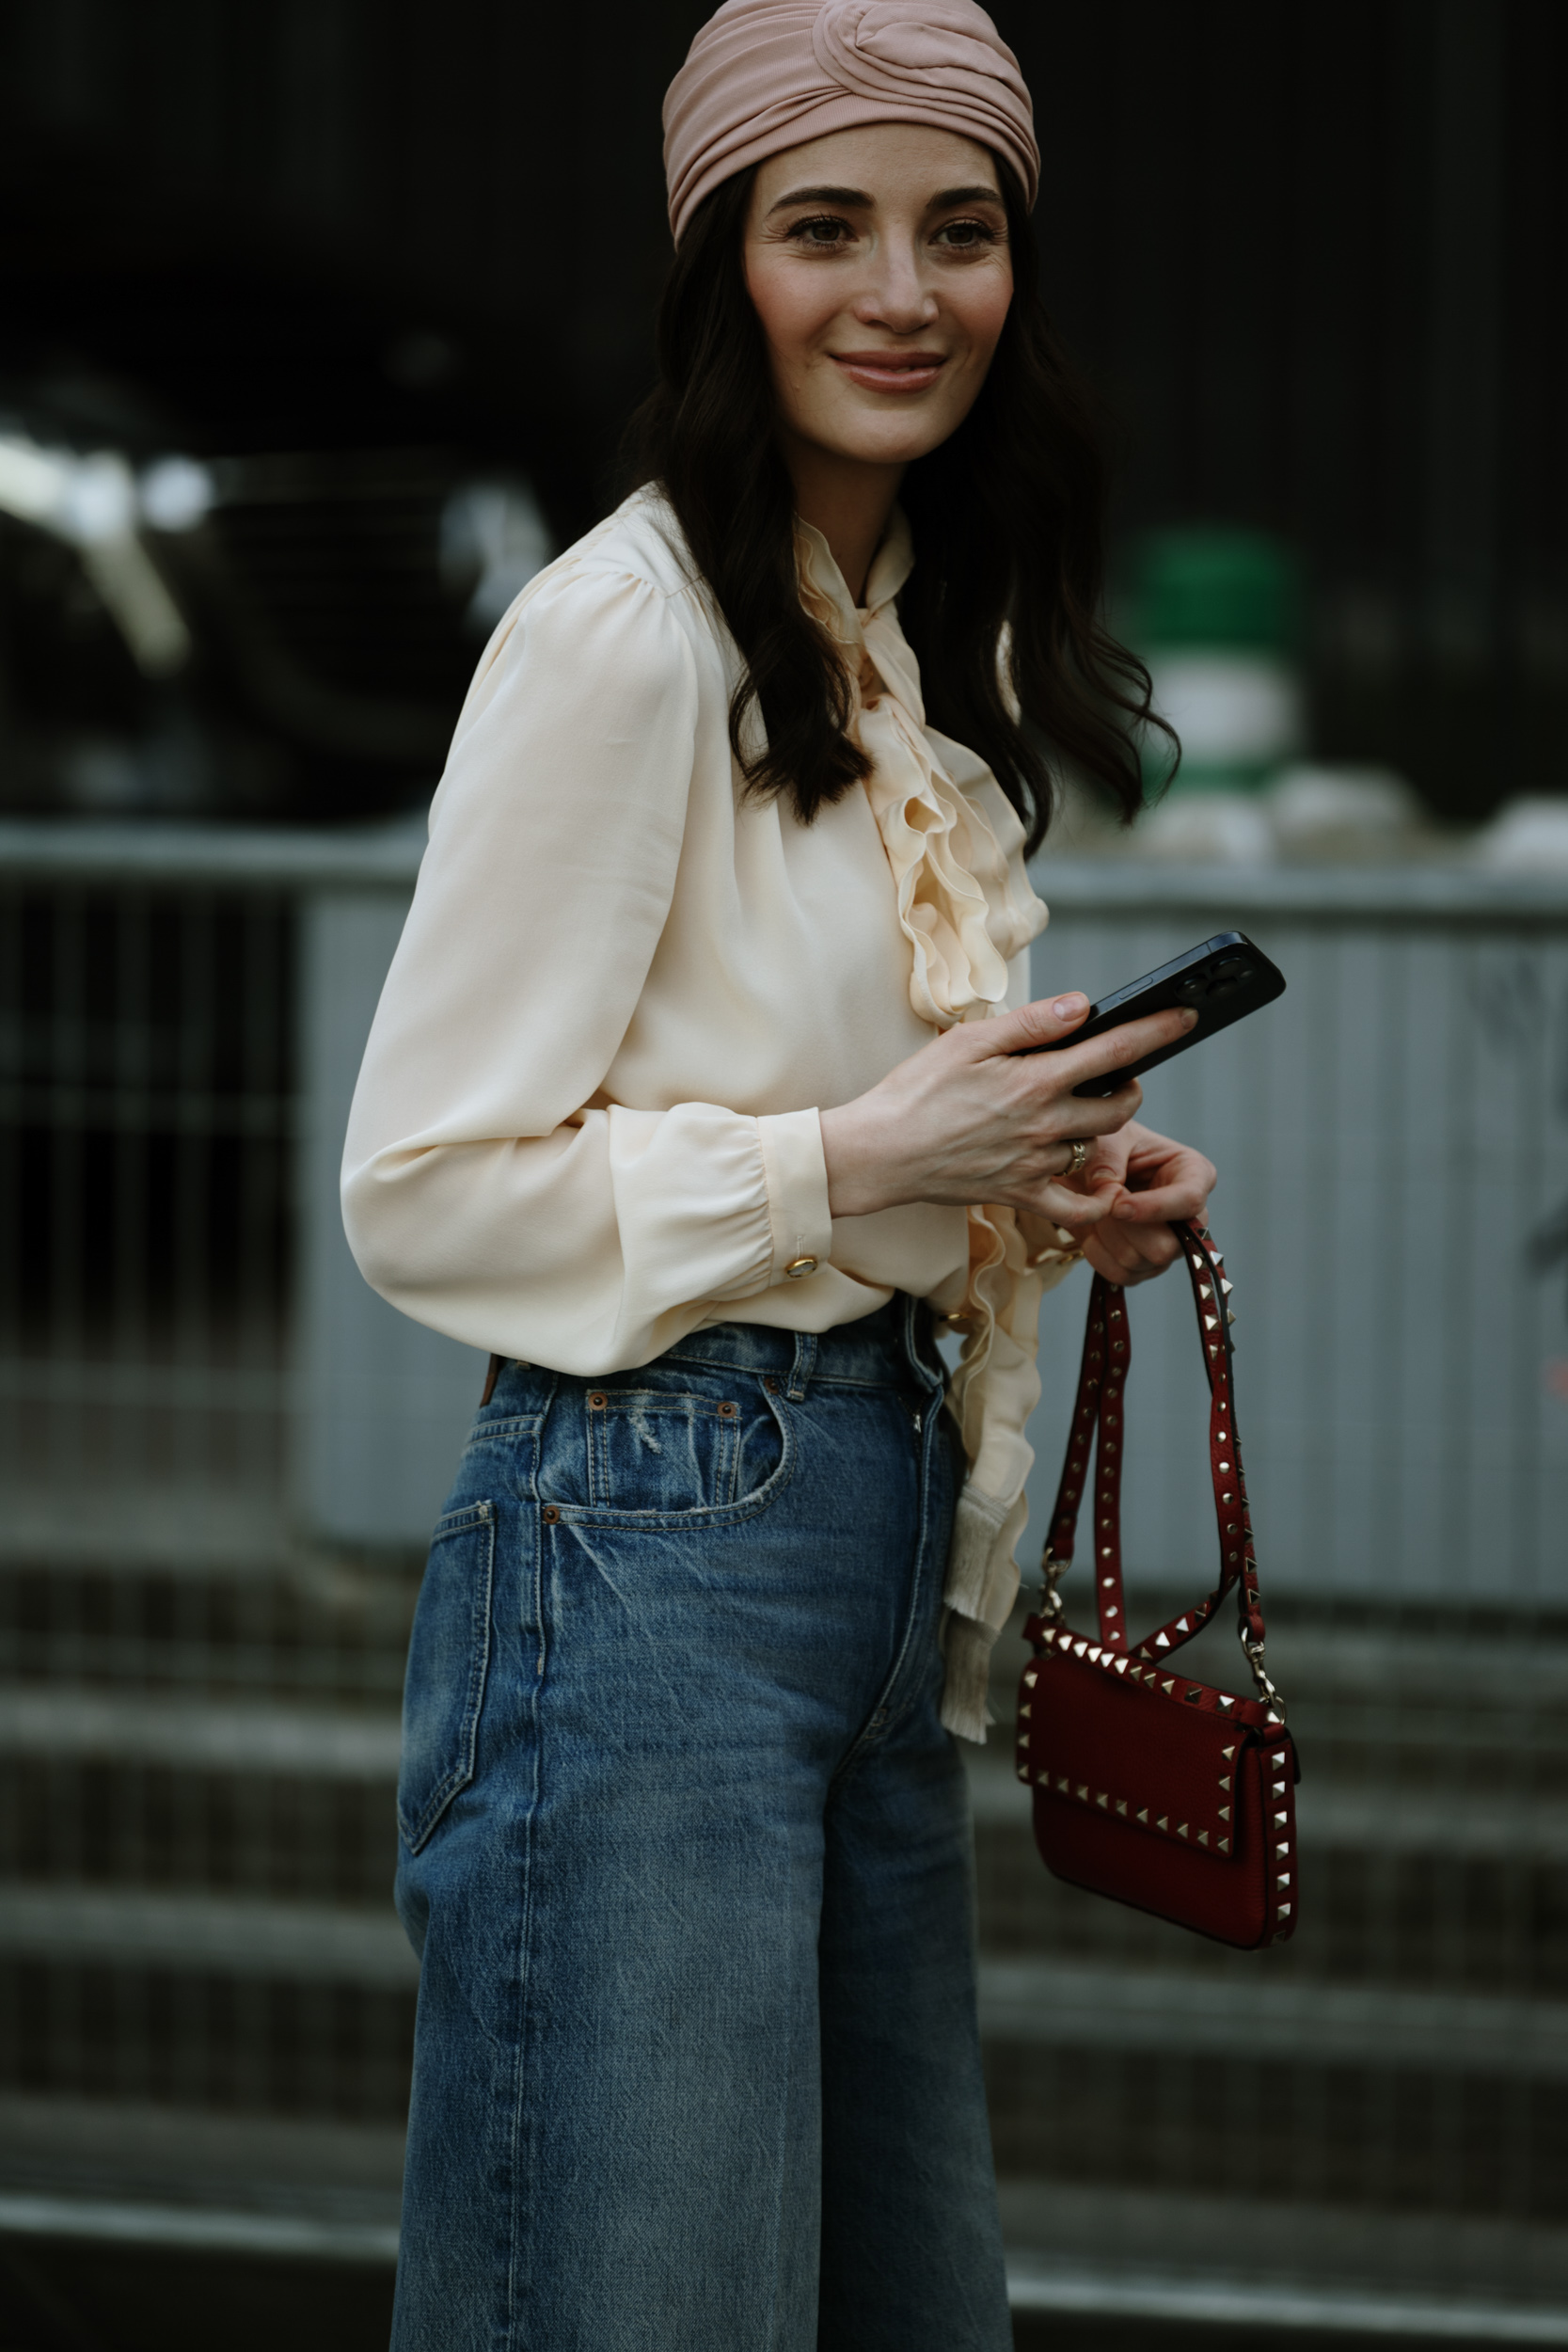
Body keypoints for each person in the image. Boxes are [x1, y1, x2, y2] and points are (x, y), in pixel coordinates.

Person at [343, 3, 1215, 2344]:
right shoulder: (624, 636)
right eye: (824, 228)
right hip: (641, 1551)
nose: (901, 292)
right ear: (722, 264)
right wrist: (858, 1155)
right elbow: (420, 1181)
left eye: (962, 230)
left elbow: (798, 1117)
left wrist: (1033, 1174)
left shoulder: (912, 642)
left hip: (858, 1539)